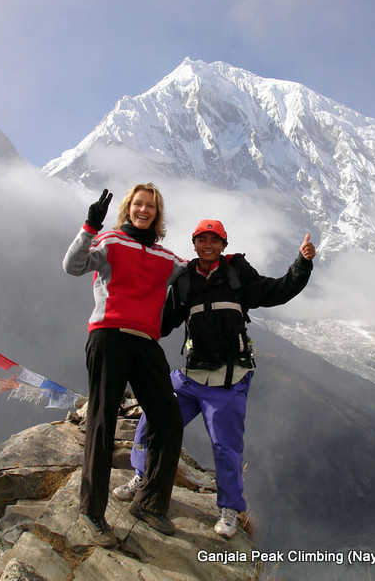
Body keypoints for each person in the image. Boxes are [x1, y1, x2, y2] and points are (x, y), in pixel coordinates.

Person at [113, 219, 315, 539]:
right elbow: (162, 323)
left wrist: (302, 264)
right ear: (194, 244)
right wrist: (125, 320)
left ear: (223, 244)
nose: (207, 245)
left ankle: (230, 508)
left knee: (226, 447)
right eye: (201, 240)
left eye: (214, 240)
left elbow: (277, 291)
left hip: (228, 379)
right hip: (192, 377)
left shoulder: (237, 275)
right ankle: (142, 475)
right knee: (153, 416)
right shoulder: (184, 280)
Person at [62, 183, 186, 547]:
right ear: (128, 209)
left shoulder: (168, 259)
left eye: (150, 206)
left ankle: (149, 503)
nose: (143, 210)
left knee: (168, 418)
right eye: (137, 204)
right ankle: (91, 511)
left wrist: (224, 260)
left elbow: (194, 271)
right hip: (109, 336)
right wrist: (90, 226)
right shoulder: (112, 242)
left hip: (146, 343)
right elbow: (73, 267)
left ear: (157, 213)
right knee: (103, 422)